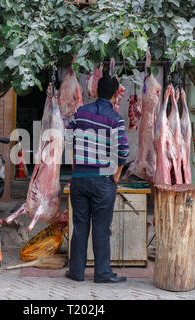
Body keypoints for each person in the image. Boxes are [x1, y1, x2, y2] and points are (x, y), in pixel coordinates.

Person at [64, 75, 129, 283]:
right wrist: (117, 173)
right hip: (103, 181)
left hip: (80, 179)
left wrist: (77, 158)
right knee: (101, 227)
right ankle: (102, 273)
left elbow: (67, 137)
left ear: (97, 91)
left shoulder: (81, 113)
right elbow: (124, 150)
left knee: (80, 225)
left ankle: (76, 272)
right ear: (114, 95)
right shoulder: (115, 119)